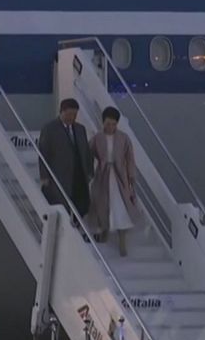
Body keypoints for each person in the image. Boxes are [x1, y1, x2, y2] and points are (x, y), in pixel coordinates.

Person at [88, 106, 140, 257]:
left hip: (119, 177)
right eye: (107, 123)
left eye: (113, 124)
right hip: (103, 176)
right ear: (103, 122)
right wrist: (89, 172)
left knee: (120, 206)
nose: (110, 126)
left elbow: (130, 159)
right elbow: (88, 154)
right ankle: (104, 231)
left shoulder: (124, 138)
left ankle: (122, 240)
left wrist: (131, 176)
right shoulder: (97, 138)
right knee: (103, 204)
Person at [38, 98, 93, 223]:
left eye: (74, 114)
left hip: (79, 173)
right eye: (69, 114)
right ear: (61, 112)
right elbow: (43, 153)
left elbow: (86, 151)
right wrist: (44, 176)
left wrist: (90, 171)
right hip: (60, 174)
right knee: (62, 203)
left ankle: (78, 225)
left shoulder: (80, 129)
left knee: (82, 204)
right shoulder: (49, 129)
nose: (72, 117)